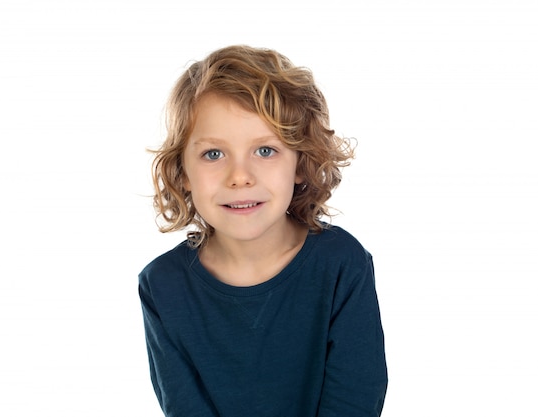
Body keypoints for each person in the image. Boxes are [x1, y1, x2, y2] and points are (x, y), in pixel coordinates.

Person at [138, 45, 387, 417]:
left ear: (301, 163)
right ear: (182, 172)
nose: (240, 177)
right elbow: (183, 406)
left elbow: (355, 398)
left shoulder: (341, 264)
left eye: (266, 151)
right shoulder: (162, 284)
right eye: (213, 154)